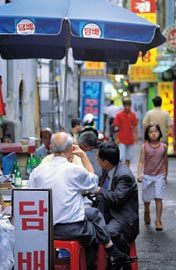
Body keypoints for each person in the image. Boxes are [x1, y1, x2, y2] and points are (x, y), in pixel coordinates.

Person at [29, 132, 137, 269]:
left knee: (94, 215)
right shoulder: (74, 170)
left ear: (50, 148)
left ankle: (110, 254)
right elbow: (93, 181)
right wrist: (83, 156)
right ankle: (98, 260)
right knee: (97, 229)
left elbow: (31, 193)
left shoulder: (37, 171)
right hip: (71, 229)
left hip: (44, 229)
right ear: (70, 149)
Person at [96, 141, 139, 269]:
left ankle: (122, 259)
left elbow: (117, 198)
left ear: (106, 162)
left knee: (108, 232)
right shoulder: (107, 169)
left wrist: (99, 190)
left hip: (123, 217)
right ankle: (104, 262)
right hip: (110, 211)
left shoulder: (123, 175)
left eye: (98, 157)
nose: (96, 158)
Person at [137, 124, 168, 231]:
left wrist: (165, 175)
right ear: (147, 134)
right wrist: (139, 174)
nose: (153, 134)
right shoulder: (144, 147)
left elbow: (165, 161)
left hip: (160, 175)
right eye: (151, 132)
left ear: (159, 133)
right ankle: (147, 211)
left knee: (159, 198)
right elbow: (141, 161)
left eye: (156, 131)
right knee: (146, 198)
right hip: (147, 176)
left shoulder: (163, 147)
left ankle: (158, 220)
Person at [113, 98, 138, 167]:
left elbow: (135, 126)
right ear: (123, 106)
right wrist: (116, 138)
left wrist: (136, 136)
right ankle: (121, 172)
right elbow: (116, 128)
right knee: (121, 158)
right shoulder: (119, 115)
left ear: (130, 106)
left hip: (130, 139)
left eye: (129, 105)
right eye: (126, 105)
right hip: (121, 139)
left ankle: (127, 171)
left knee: (129, 158)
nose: (127, 107)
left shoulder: (133, 115)